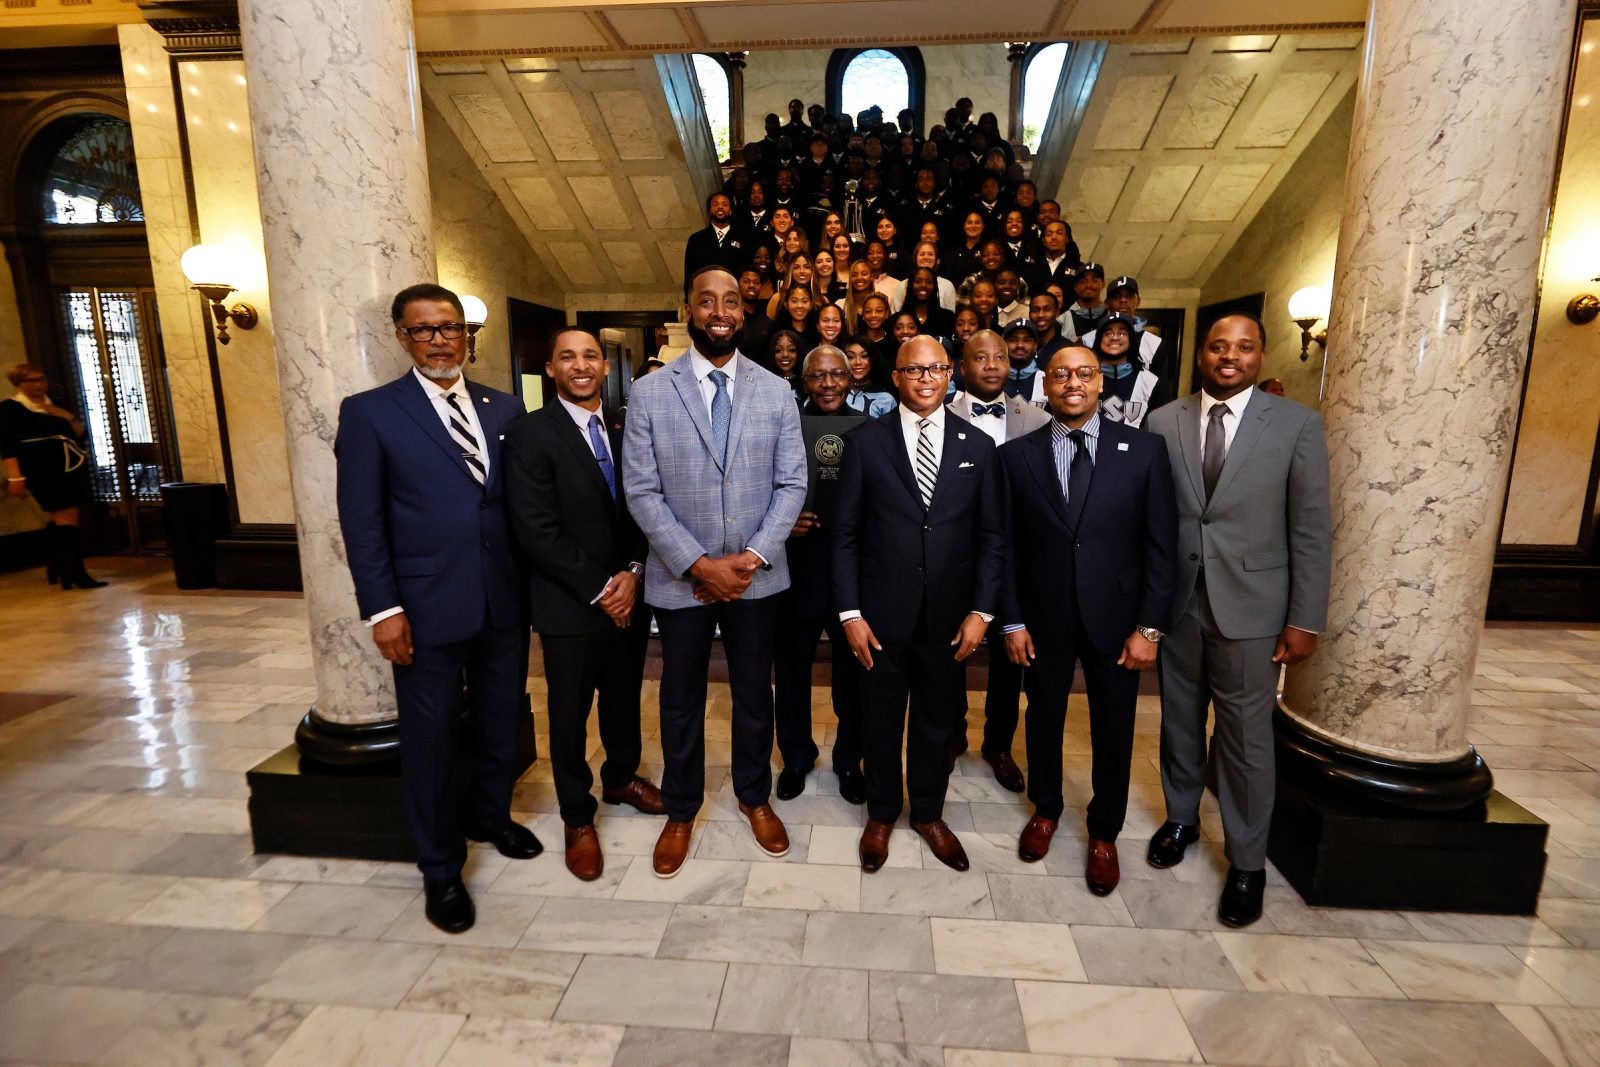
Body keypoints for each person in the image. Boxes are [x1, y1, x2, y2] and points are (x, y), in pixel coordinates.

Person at [335, 283, 537, 934]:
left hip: (502, 599)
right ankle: (441, 867)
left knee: (500, 720)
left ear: (466, 335)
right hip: (423, 607)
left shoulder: (505, 407)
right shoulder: (371, 413)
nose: (440, 340)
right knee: (431, 738)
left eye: (450, 327)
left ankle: (491, 816)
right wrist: (383, 610)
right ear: (402, 337)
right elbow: (361, 523)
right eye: (423, 330)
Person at [1145, 312, 1332, 928]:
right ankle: (1180, 820)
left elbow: (1311, 529)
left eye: (1244, 347)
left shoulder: (1297, 425)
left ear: (1261, 355)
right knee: (1179, 719)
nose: (1230, 357)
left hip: (1254, 607)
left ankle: (1248, 861)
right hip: (1178, 603)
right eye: (1218, 347)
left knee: (1247, 737)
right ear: (1201, 355)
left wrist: (1304, 618)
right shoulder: (1163, 421)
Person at [623, 265, 808, 878]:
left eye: (731, 301)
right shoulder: (651, 392)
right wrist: (700, 565)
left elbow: (792, 484)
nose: (720, 311)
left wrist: (749, 559)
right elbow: (642, 491)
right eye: (707, 301)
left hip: (758, 578)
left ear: (743, 312)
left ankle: (755, 798)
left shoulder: (776, 391)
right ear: (689, 310)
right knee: (680, 699)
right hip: (682, 578)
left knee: (755, 695)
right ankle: (681, 809)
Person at [999, 344, 1177, 894]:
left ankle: (1104, 831)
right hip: (1042, 618)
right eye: (1061, 374)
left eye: (1083, 373)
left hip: (1118, 620)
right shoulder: (1015, 456)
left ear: (1100, 383)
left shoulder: (1144, 451)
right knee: (1043, 718)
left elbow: (1161, 546)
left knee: (1115, 728)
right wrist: (1011, 621)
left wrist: (1149, 628)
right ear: (1045, 386)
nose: (1072, 383)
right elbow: (1003, 547)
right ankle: (1046, 808)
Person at [834, 335, 1005, 874]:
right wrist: (850, 614)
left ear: (951, 374)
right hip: (879, 617)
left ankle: (929, 813)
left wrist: (982, 612)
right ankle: (882, 813)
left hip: (950, 620)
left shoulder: (979, 446)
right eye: (914, 369)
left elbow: (992, 537)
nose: (926, 378)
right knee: (880, 721)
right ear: (896, 378)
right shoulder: (864, 442)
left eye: (936, 368)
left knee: (936, 723)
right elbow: (844, 536)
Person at [502, 328, 665, 882]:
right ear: (550, 368)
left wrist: (633, 574)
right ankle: (577, 814)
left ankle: (621, 779)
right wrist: (602, 588)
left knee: (622, 700)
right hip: (569, 602)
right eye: (567, 357)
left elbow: (646, 505)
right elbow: (535, 528)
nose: (581, 365)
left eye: (590, 356)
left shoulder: (627, 427)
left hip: (630, 595)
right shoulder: (529, 434)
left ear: (606, 366)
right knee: (569, 714)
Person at [946, 330, 1049, 790]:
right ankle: (951, 734)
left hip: (1018, 561)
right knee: (951, 651)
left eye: (1000, 357)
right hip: (955, 557)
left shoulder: (1039, 419)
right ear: (962, 367)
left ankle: (999, 744)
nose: (991, 365)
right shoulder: (939, 413)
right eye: (980, 357)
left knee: (1010, 658)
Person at [773, 345, 867, 803]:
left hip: (852, 571)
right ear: (804, 381)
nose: (828, 384)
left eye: (837, 375)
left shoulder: (871, 429)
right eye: (818, 376)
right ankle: (796, 757)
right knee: (792, 670)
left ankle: (849, 760)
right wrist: (782, 521)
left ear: (851, 379)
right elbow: (761, 485)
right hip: (796, 566)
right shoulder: (784, 425)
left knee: (854, 674)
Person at [1, 362, 102, 589]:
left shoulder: (53, 405)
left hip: (66, 466)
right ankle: (75, 572)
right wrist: (15, 477)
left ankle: (58, 565)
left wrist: (65, 415)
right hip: (39, 468)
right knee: (68, 513)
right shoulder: (9, 408)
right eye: (32, 380)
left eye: (41, 379)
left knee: (55, 515)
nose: (39, 384)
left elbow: (80, 434)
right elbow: (7, 446)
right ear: (18, 383)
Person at [1084, 275, 1178, 410]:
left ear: (1137, 301)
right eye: (1116, 296)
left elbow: (1160, 395)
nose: (1123, 300)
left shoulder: (1155, 344)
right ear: (1106, 303)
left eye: (1129, 296)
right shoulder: (1087, 341)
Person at [1090, 313, 1160, 428]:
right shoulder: (1085, 378)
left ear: (1131, 339)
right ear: (1099, 340)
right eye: (1108, 333)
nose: (1115, 337)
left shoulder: (1150, 381)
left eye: (1122, 333)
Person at [684, 193, 750, 281]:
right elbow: (689, 272)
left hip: (733, 287)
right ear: (709, 211)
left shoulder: (743, 238)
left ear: (730, 211)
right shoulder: (696, 239)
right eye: (715, 204)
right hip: (705, 287)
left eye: (725, 204)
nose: (720, 207)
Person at [1067, 262, 1109, 338]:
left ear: (1103, 284)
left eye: (1095, 281)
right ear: (1076, 287)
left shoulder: (1111, 315)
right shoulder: (1063, 320)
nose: (1089, 285)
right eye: (1083, 281)